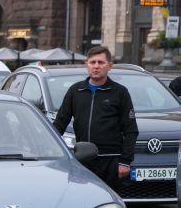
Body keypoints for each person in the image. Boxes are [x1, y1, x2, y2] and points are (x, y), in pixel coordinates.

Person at [53, 46, 138, 191]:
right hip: (82, 160)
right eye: (92, 62)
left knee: (109, 202)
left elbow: (130, 130)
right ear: (86, 64)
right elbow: (59, 124)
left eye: (101, 62)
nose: (96, 66)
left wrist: (125, 161)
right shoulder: (76, 91)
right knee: (82, 200)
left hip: (110, 161)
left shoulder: (120, 92)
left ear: (109, 66)